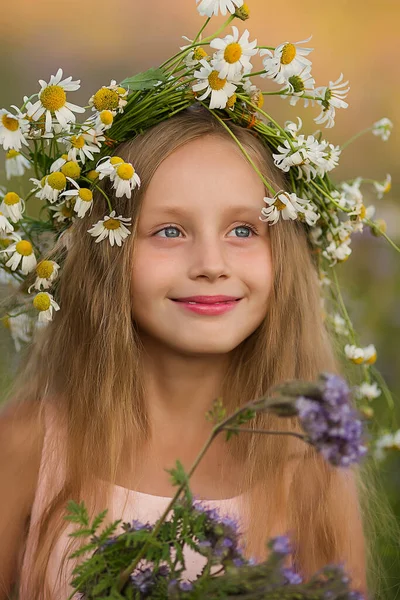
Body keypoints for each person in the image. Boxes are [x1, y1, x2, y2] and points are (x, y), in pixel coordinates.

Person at [0, 106, 371, 599]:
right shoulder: (28, 446)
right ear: (108, 252)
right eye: (169, 231)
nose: (211, 265)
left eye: (242, 230)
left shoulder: (306, 465)